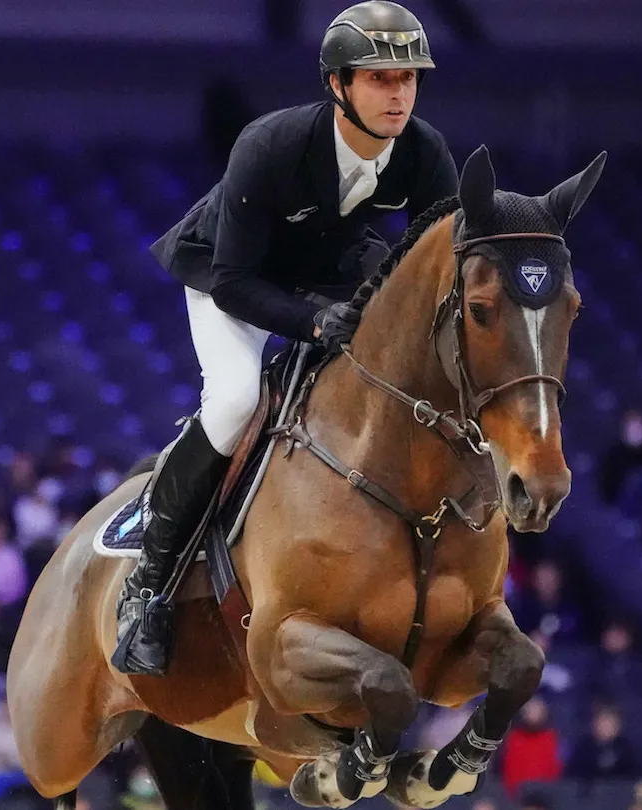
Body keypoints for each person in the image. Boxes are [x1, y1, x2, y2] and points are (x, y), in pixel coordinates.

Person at [114, 0, 459, 676]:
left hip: (327, 272)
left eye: (407, 79)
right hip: (231, 276)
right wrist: (311, 322)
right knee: (238, 399)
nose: (397, 95)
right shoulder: (270, 145)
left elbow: (438, 268)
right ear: (337, 85)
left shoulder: (424, 153)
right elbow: (234, 282)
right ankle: (148, 587)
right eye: (378, 80)